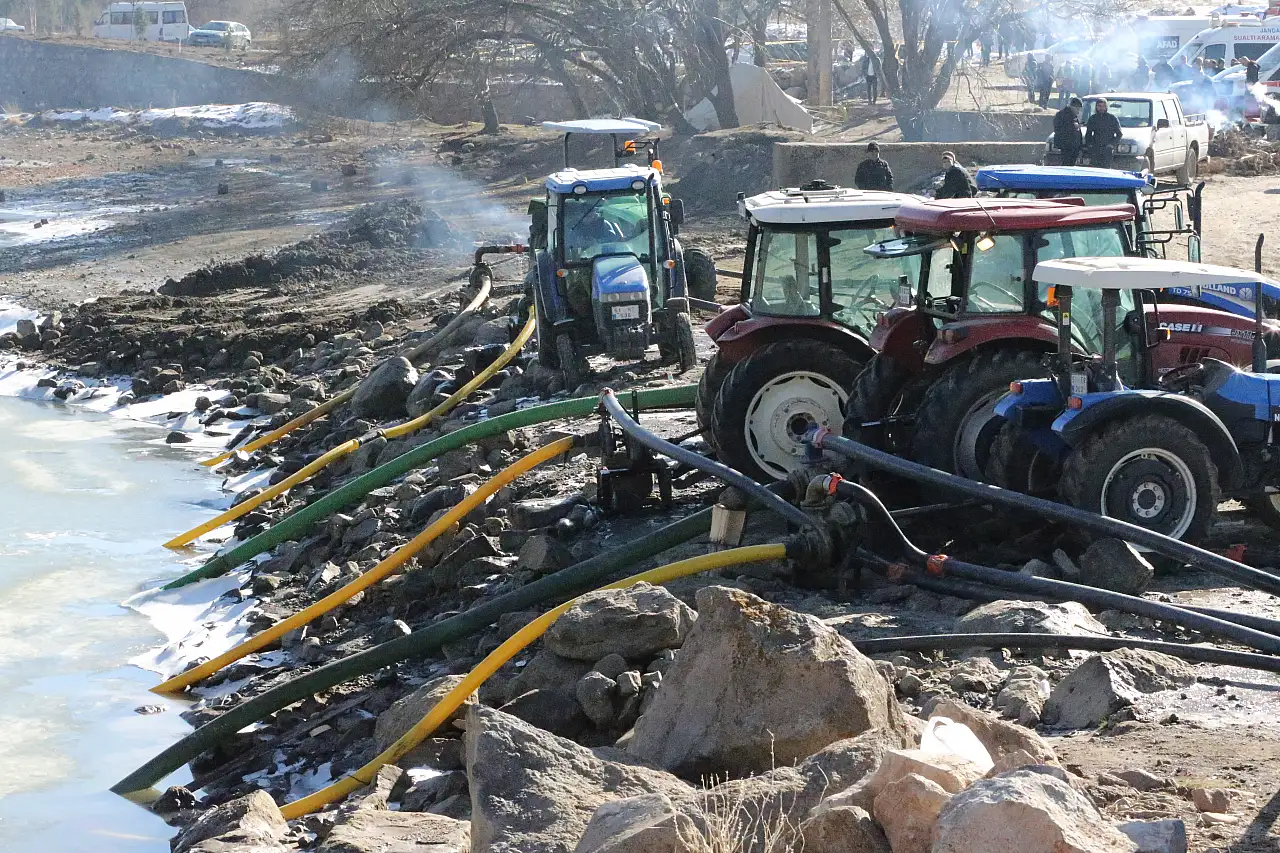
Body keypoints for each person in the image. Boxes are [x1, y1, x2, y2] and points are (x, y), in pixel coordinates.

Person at [1084, 97, 1123, 168]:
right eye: (1099, 106)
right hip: (1095, 150)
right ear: (1096, 107)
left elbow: (1119, 134)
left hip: (1107, 150)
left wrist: (1111, 144)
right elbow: (1088, 134)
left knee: (1106, 170)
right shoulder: (1093, 119)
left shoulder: (1112, 118)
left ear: (1106, 107)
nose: (1101, 108)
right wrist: (1090, 145)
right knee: (1095, 169)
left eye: (1103, 106)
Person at [1054, 97, 1084, 165]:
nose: (1078, 111)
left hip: (1074, 146)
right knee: (1066, 164)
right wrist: (1073, 127)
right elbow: (1058, 129)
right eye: (1077, 108)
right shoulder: (1061, 115)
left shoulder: (1074, 116)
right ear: (1073, 107)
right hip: (1066, 146)